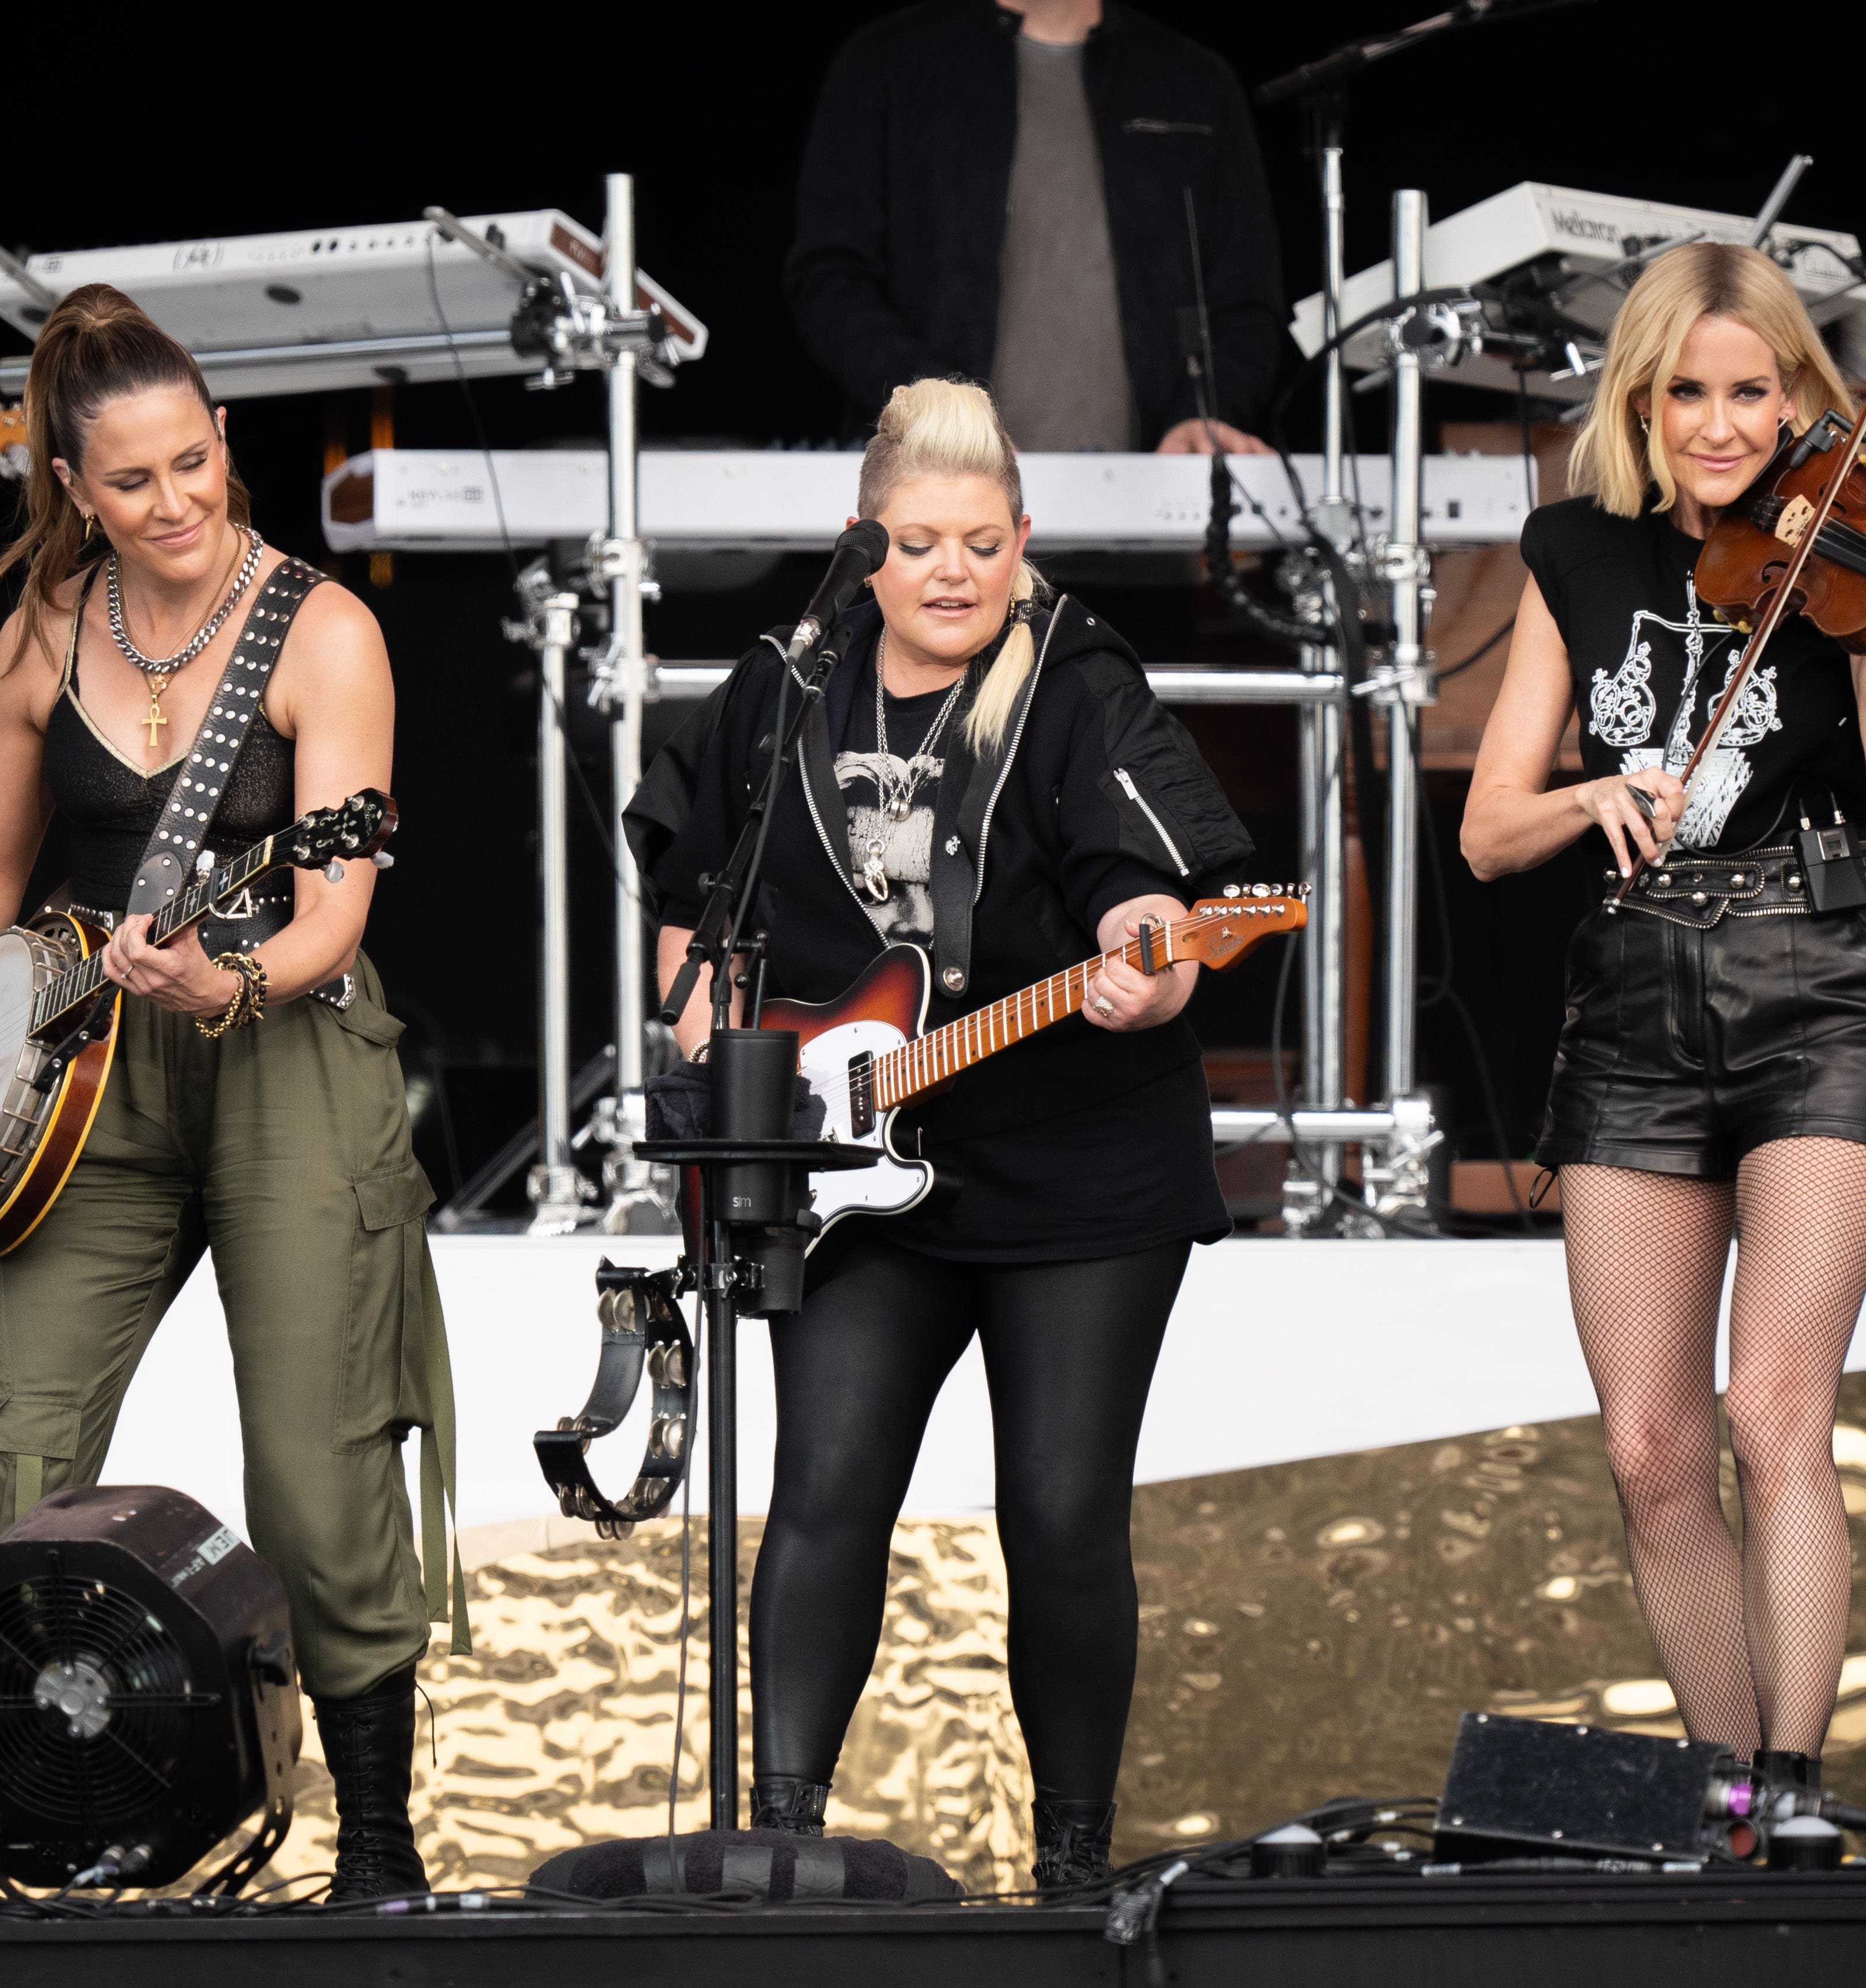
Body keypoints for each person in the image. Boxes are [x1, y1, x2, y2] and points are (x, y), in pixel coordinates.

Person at [0, 286, 459, 1899]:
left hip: (284, 1053)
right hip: (80, 1078)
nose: (178, 499)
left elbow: (334, 908)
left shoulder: (321, 628)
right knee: (17, 1452)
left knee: (317, 1471)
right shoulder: (47, 630)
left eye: (196, 461)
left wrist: (234, 975)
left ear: (223, 441)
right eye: (134, 480)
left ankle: (382, 1851)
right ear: (74, 485)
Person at [626, 378, 1253, 1886]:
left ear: (1023, 539)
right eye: (919, 544)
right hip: (851, 1172)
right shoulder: (783, 688)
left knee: (1058, 1506)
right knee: (827, 1486)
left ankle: (1075, 1865)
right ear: (863, 547)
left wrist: (1141, 961)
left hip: (1079, 1162)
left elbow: (1163, 890)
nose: (955, 573)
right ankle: (783, 1845)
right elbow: (684, 894)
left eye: (984, 542)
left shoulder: (1079, 680)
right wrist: (712, 1030)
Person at [1458, 243, 1866, 1803]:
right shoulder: (1572, 548)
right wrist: (1590, 790)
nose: (1715, 425)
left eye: (1748, 391)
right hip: (1631, 997)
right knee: (1648, 1447)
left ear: (1794, 395)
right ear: (1640, 394)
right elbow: (1490, 830)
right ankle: (1726, 1799)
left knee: (1772, 1410)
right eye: (1683, 391)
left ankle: (1800, 1789)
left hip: (1817, 981)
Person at [786, 0, 1285, 454]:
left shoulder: (1194, 81)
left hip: (1153, 509)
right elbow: (831, 277)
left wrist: (1203, 414)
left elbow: (1246, 299)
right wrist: (942, 412)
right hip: (930, 499)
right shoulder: (887, 60)